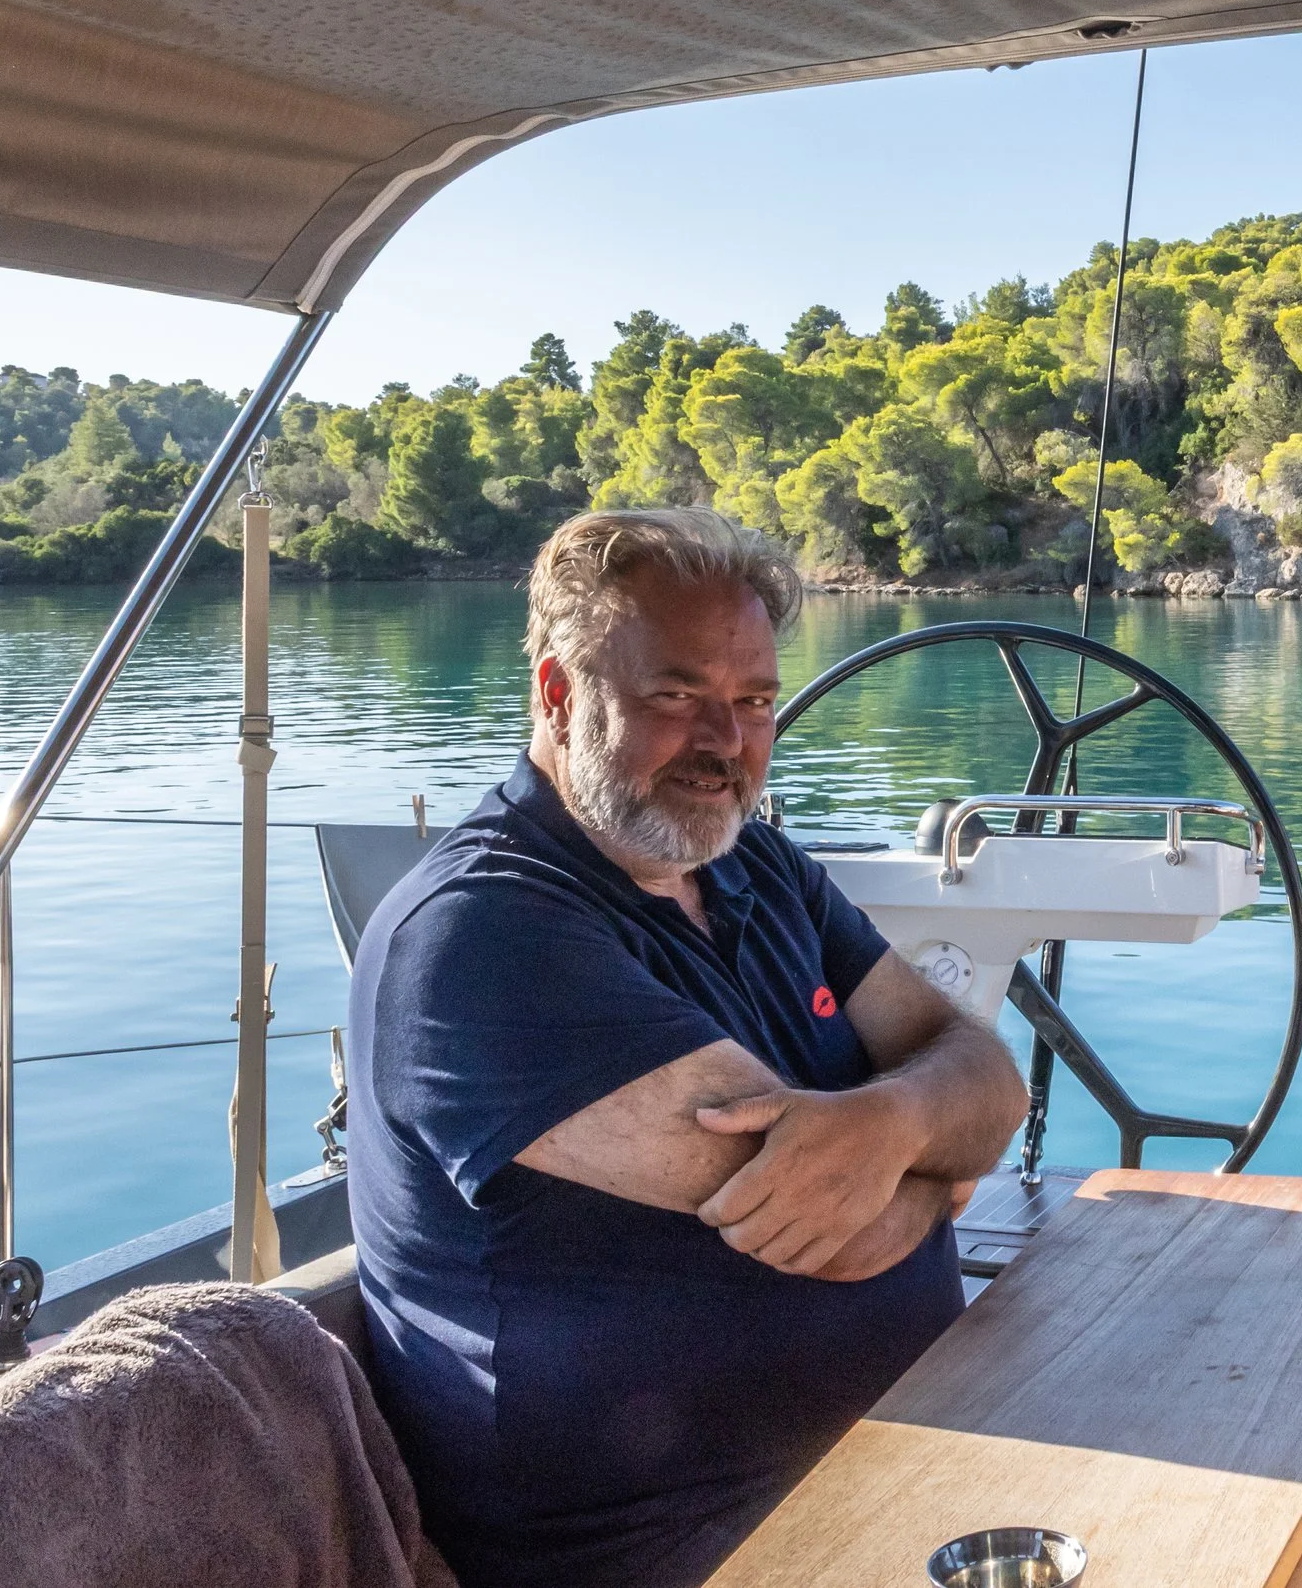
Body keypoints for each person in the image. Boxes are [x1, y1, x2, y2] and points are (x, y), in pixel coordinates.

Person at [346, 508, 1028, 1588]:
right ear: (560, 694)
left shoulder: (757, 869)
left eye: (754, 700)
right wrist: (932, 1156)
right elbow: (838, 1226)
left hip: (905, 1454)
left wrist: (894, 1122)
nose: (726, 742)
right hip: (677, 1544)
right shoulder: (483, 936)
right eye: (675, 696)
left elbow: (984, 1069)